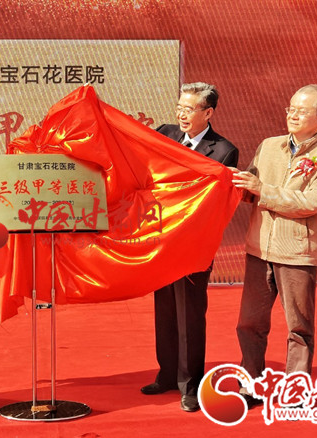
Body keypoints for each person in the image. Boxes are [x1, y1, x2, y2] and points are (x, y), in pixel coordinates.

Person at [231, 84, 317, 405]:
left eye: (302, 111)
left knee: (299, 327)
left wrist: (261, 189)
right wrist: (230, 183)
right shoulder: (269, 146)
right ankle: (250, 384)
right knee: (249, 323)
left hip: (297, 253)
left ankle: (296, 390)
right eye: (290, 109)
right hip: (258, 248)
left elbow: (312, 202)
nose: (293, 116)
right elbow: (251, 190)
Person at [140, 82, 238, 412]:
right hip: (162, 241)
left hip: (194, 247)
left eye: (190, 109)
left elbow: (214, 204)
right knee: (165, 311)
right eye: (179, 107)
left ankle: (191, 382)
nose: (181, 115)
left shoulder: (223, 150)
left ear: (208, 112)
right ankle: (167, 373)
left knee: (190, 315)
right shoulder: (164, 133)